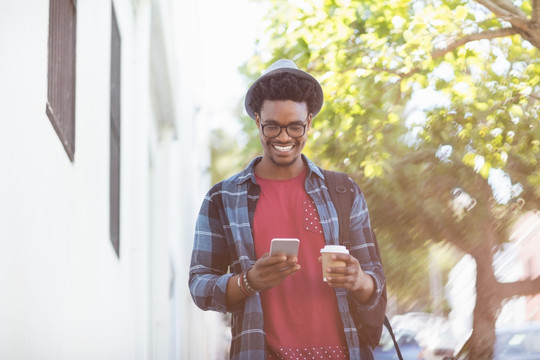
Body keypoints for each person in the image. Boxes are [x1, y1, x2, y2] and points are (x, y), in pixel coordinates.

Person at [189, 59, 386, 360]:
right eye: (272, 126)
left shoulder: (344, 191)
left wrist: (358, 280)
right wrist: (248, 281)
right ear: (257, 121)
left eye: (295, 126)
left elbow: (375, 283)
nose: (284, 138)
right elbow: (199, 285)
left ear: (308, 122)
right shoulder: (222, 199)